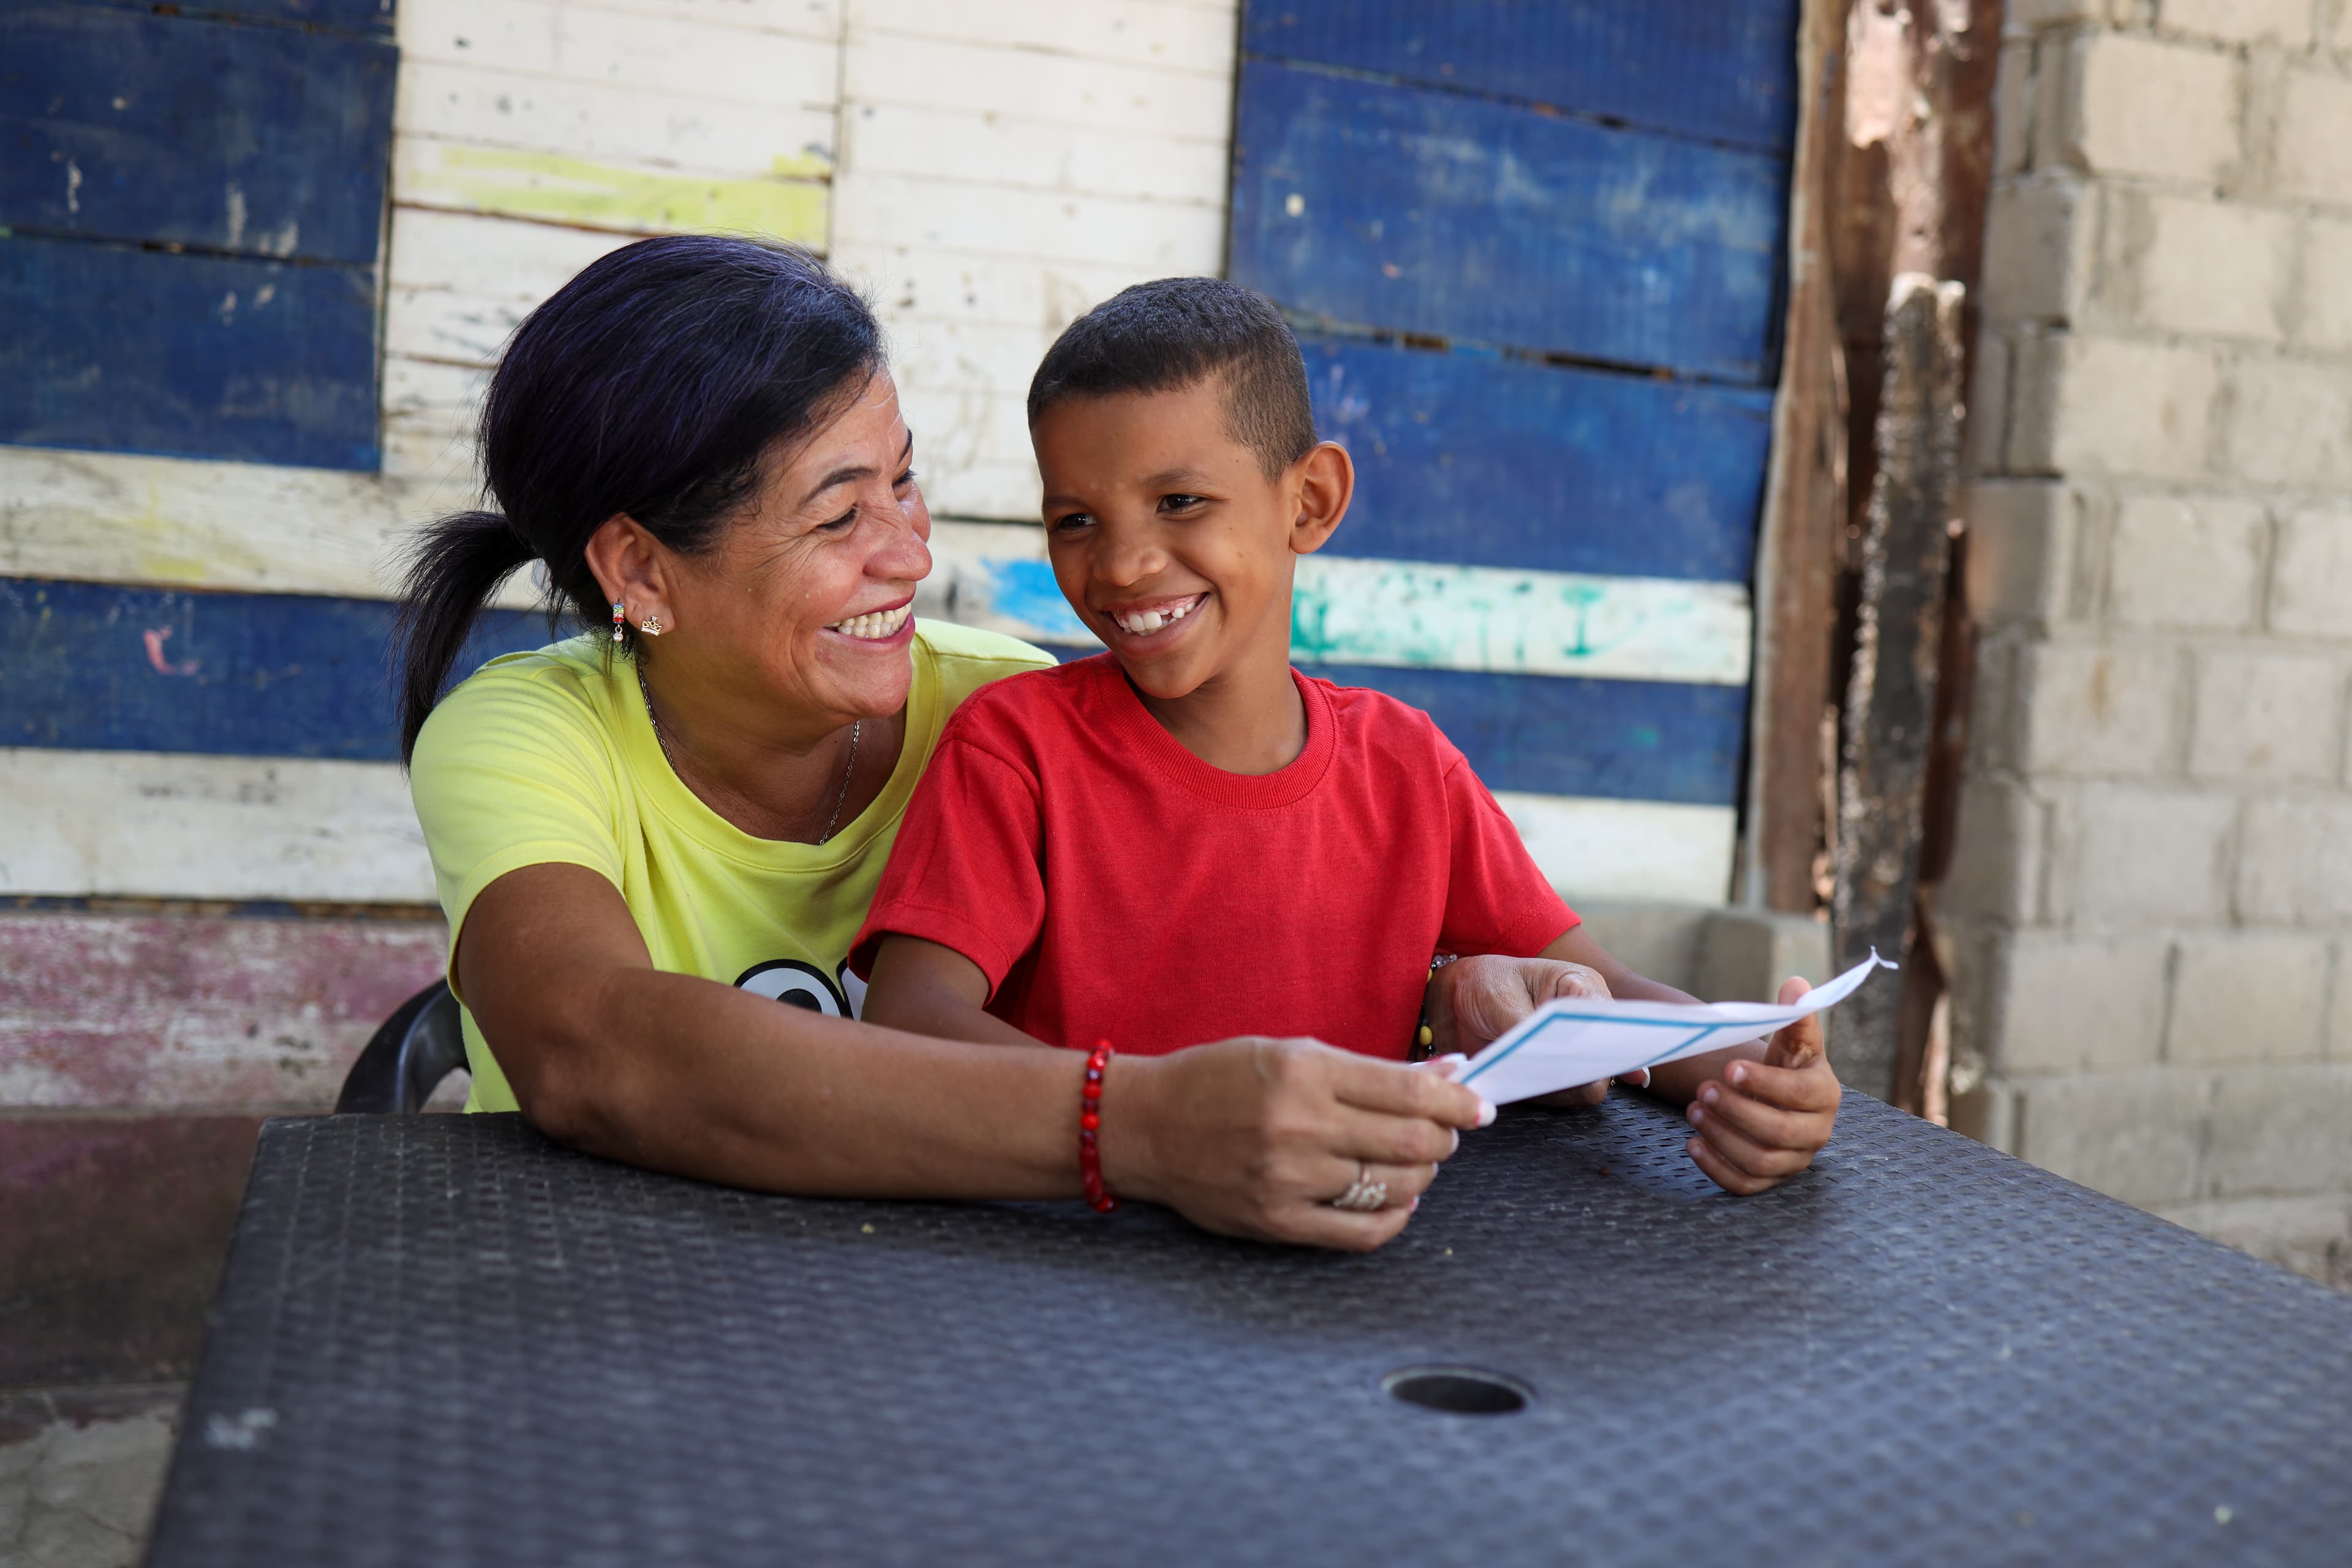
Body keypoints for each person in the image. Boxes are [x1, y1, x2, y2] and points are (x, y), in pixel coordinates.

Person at [397, 233, 1579, 1252]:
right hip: (596, 1291)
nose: (910, 555)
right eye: (837, 514)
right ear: (642, 570)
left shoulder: (1012, 714)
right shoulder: (531, 736)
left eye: (903, 486)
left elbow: (1234, 928)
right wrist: (1149, 1129)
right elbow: (589, 1047)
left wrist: (1444, 997)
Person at [854, 277, 1841, 1197]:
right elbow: (910, 1028)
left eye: (1179, 502)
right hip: (1073, 1267)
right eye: (1075, 520)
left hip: (1346, 1267)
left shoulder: (1406, 767)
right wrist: (1154, 1130)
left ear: (1310, 501)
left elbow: (1604, 998)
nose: (1122, 564)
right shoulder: (1018, 750)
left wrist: (1754, 1073)